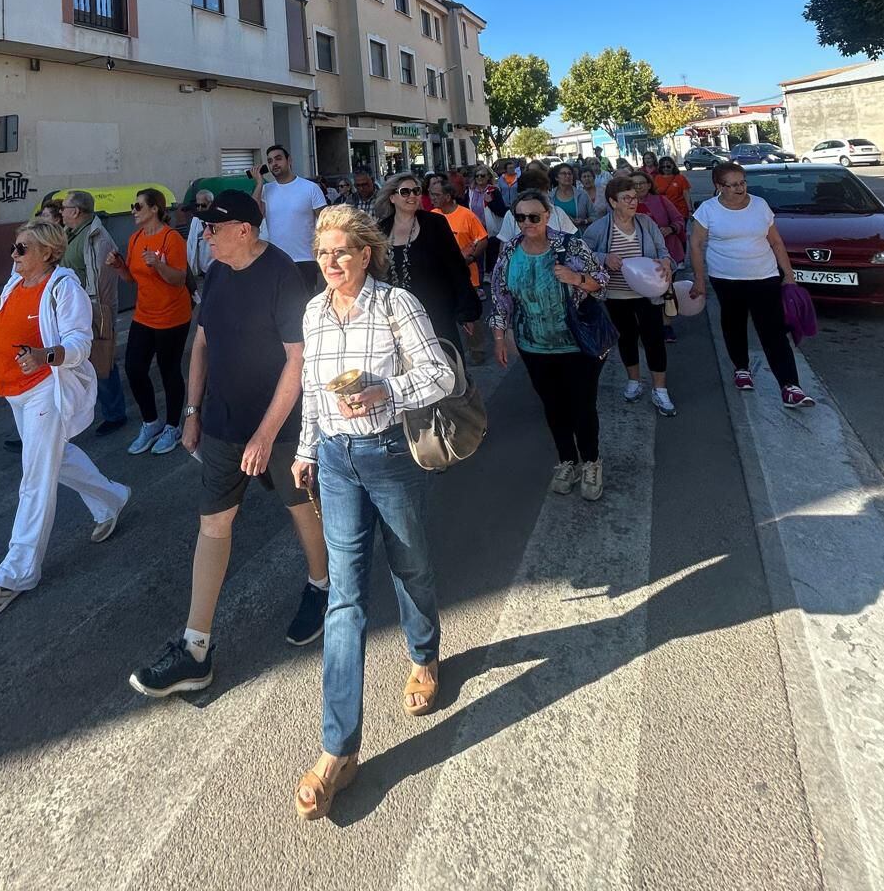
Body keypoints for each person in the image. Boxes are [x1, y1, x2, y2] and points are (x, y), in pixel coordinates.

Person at [290, 205, 456, 820]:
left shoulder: (395, 305)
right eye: (323, 253)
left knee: (409, 564)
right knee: (345, 598)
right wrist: (307, 449)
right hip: (335, 461)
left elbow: (439, 374)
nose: (330, 263)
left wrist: (387, 390)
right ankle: (339, 749)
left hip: (389, 455)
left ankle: (423, 652)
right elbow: (311, 388)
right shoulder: (313, 312)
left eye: (342, 252)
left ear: (366, 254)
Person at [129, 191, 329, 697]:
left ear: (245, 230)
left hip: (279, 426)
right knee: (213, 524)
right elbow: (201, 343)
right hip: (220, 423)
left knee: (300, 506)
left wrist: (265, 433)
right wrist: (191, 413)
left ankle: (322, 586)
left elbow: (297, 360)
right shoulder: (216, 272)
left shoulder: (283, 274)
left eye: (213, 229)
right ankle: (196, 649)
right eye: (204, 228)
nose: (205, 235)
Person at [0, 220, 131, 621]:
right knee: (58, 458)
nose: (13, 255)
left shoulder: (63, 289)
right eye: (14, 247)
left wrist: (43, 354)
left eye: (22, 249)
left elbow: (78, 344)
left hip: (44, 392)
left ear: (48, 253)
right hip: (15, 392)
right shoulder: (15, 286)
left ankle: (16, 573)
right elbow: (2, 326)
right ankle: (111, 499)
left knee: (34, 479)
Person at [490, 190, 610, 500]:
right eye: (520, 218)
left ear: (548, 216)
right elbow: (500, 296)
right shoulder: (509, 251)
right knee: (554, 406)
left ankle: (591, 462)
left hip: (576, 344)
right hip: (535, 346)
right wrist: (500, 337)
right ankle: (567, 460)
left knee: (582, 407)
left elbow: (602, 280)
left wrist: (576, 278)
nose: (527, 223)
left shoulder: (569, 246)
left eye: (534, 216)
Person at [689, 163, 813, 406]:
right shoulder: (708, 210)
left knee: (773, 332)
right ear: (718, 186)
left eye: (742, 182)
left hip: (764, 276)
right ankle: (741, 368)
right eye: (733, 184)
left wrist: (788, 275)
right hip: (726, 278)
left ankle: (790, 386)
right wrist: (699, 279)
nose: (740, 188)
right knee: (733, 324)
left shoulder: (759, 205)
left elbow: (776, 242)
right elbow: (695, 245)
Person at [110, 189, 193, 454]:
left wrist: (158, 264)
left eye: (138, 206)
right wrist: (119, 267)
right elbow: (131, 279)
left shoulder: (171, 238)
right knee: (134, 368)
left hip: (172, 317)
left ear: (154, 209)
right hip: (144, 316)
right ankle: (151, 422)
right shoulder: (135, 239)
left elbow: (179, 279)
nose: (133, 210)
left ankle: (172, 426)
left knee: (169, 371)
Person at [584, 177, 676, 415]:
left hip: (649, 293)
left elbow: (662, 249)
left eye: (634, 197)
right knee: (626, 338)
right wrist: (604, 258)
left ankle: (660, 389)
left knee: (653, 338)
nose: (633, 202)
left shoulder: (646, 223)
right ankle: (634, 381)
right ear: (613, 202)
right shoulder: (599, 227)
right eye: (626, 198)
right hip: (617, 295)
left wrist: (665, 260)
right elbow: (583, 254)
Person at [376, 173, 478, 350]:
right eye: (405, 192)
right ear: (392, 197)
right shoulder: (381, 230)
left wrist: (466, 311)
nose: (412, 196)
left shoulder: (434, 223)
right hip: (398, 316)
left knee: (447, 363)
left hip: (436, 310)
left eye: (416, 191)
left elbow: (456, 266)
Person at [60, 189, 127, 435]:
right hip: (72, 309)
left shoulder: (96, 237)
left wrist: (101, 316)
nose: (61, 212)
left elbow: (103, 283)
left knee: (103, 361)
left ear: (76, 211)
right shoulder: (71, 234)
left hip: (92, 310)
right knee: (77, 362)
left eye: (64, 207)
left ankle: (115, 414)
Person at [428, 175, 489, 360]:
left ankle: (476, 349)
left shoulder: (466, 215)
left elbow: (483, 239)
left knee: (469, 313)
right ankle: (449, 353)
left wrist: (470, 257)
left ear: (448, 196)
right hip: (442, 276)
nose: (432, 198)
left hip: (467, 274)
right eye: (431, 194)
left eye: (436, 195)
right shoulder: (432, 216)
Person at [253, 145, 327, 293]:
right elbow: (252, 214)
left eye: (278, 159)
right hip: (276, 259)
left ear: (289, 160)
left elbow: (327, 222)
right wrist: (259, 183)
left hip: (305, 259)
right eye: (270, 161)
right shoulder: (266, 190)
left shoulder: (310, 188)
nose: (274, 163)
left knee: (305, 305)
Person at [631, 169, 686, 265]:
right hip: (638, 256)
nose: (638, 187)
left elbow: (679, 220)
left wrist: (670, 228)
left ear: (649, 185)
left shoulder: (661, 200)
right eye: (634, 184)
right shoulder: (625, 204)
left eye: (642, 183)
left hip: (667, 252)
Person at [185, 188, 217, 282]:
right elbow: (191, 242)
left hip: (217, 265)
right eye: (197, 205)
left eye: (203, 205)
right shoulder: (196, 220)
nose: (199, 208)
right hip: (203, 269)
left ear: (211, 203)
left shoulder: (218, 218)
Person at [653, 156, 693, 221]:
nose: (666, 168)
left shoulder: (680, 178)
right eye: (663, 167)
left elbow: (687, 195)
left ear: (673, 166)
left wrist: (690, 211)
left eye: (668, 166)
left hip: (680, 211)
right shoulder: (657, 178)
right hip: (664, 212)